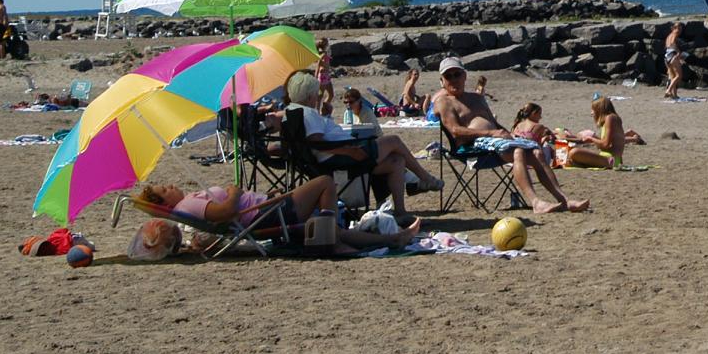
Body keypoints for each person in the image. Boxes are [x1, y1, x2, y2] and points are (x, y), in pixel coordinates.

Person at [431, 58, 589, 213]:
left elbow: (495, 124)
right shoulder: (444, 102)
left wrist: (510, 134)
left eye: (457, 74)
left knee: (537, 152)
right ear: (442, 81)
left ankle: (564, 200)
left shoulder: (477, 98)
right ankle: (536, 203)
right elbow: (455, 130)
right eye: (448, 76)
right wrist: (492, 133)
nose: (453, 79)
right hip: (472, 148)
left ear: (464, 76)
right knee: (518, 151)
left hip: (496, 142)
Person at [130, 175, 422, 258]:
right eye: (165, 189)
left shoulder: (187, 204)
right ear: (164, 202)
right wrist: (234, 191)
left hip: (264, 212)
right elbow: (228, 212)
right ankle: (332, 238)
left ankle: (393, 239)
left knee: (325, 226)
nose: (171, 186)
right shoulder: (188, 206)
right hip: (265, 216)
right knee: (324, 183)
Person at [283, 73, 441, 219]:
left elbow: (316, 140)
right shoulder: (308, 113)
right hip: (342, 158)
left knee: (396, 160)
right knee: (393, 141)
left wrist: (326, 117)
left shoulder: (293, 112)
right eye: (316, 93)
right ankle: (425, 178)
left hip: (338, 156)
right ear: (309, 95)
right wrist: (349, 151)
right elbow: (317, 142)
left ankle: (400, 212)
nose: (317, 97)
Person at [568, 95, 644, 167]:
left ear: (599, 109)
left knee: (574, 152)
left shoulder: (610, 118)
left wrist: (591, 139)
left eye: (593, 110)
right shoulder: (610, 119)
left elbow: (606, 144)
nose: (592, 113)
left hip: (613, 160)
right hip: (608, 158)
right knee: (570, 159)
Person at [663, 22, 686, 98]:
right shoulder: (675, 33)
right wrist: (678, 52)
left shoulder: (669, 36)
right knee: (679, 76)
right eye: (679, 28)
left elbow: (667, 46)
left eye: (681, 28)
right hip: (672, 56)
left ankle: (674, 95)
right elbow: (672, 43)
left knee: (673, 77)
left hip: (667, 56)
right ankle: (668, 91)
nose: (680, 30)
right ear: (674, 28)